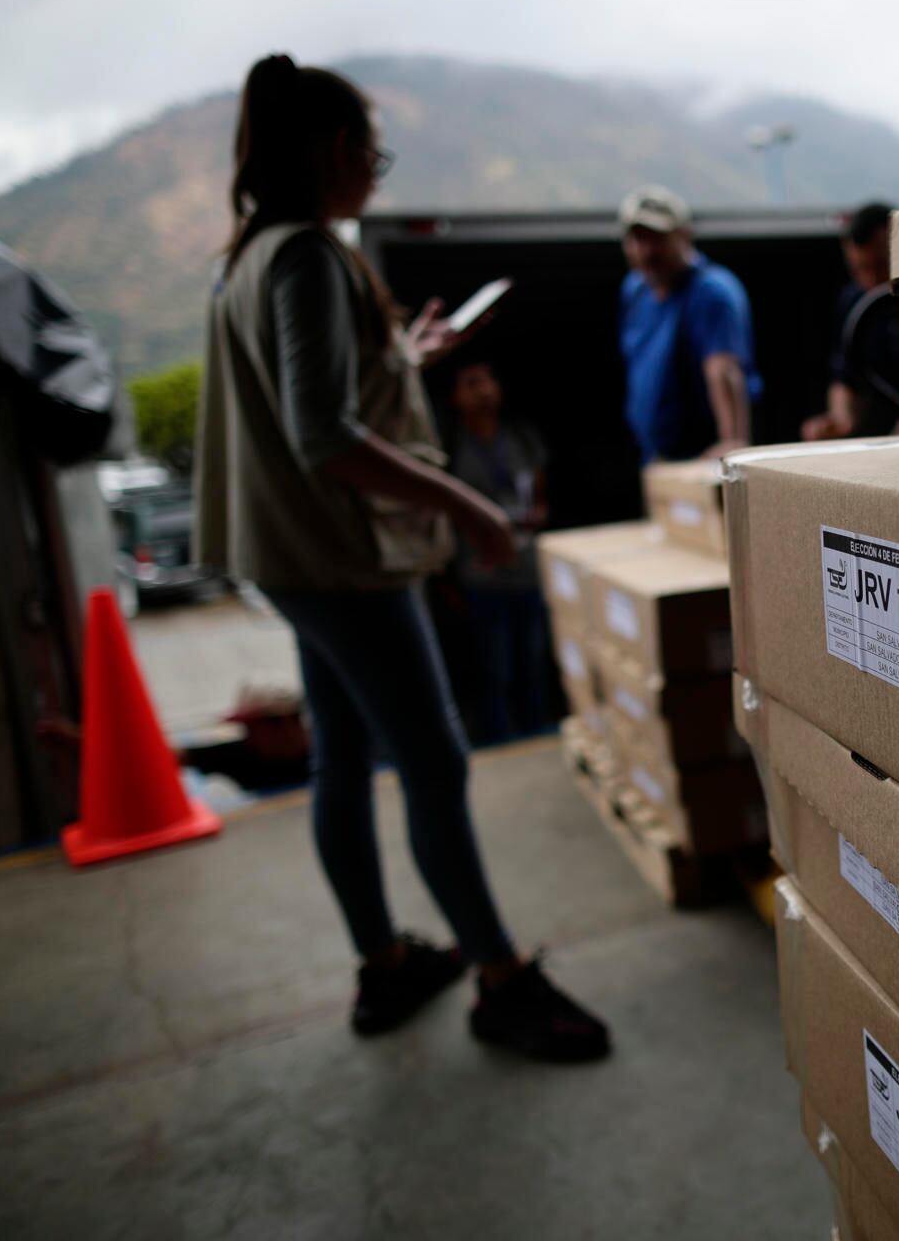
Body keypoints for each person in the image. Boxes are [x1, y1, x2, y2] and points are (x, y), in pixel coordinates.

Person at [193, 53, 607, 1061]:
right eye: (373, 151)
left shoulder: (252, 255)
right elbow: (322, 435)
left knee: (343, 752)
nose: (378, 168)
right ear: (339, 150)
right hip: (341, 559)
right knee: (433, 755)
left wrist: (399, 361)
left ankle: (384, 961)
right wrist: (469, 502)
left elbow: (322, 396)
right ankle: (500, 979)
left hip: (291, 560)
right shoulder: (304, 256)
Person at [444, 356, 552, 743]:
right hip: (482, 576)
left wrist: (532, 517)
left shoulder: (520, 438)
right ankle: (500, 743)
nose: (485, 390)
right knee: (495, 670)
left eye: (489, 380)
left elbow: (540, 495)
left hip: (526, 570)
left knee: (532, 664)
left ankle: (536, 739)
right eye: (473, 382)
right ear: (456, 396)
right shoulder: (452, 447)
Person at [616, 185, 763, 460]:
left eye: (657, 239)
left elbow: (723, 370)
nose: (647, 251)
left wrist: (732, 443)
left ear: (684, 235)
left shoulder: (711, 292)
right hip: (653, 456)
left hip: (700, 456)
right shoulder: (635, 290)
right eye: (638, 239)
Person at [803, 202, 899, 440]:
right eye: (860, 269)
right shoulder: (852, 301)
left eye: (881, 265)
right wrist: (839, 420)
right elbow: (843, 372)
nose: (872, 279)